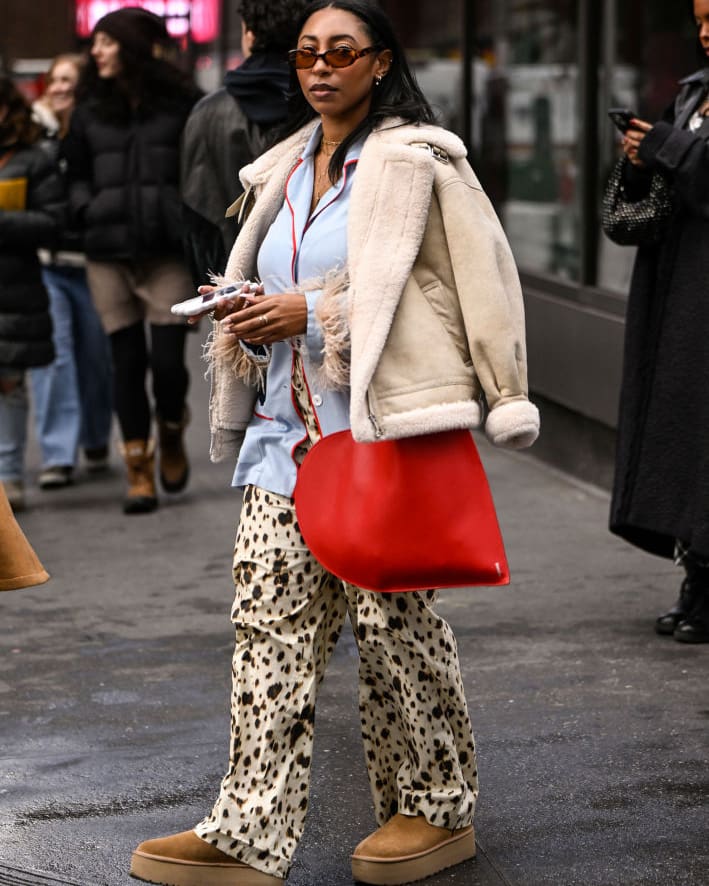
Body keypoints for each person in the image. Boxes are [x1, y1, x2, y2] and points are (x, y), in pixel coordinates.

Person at [130, 2, 539, 884]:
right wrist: (242, 305)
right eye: (307, 52)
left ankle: (432, 805)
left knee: (395, 631)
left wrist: (314, 312)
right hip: (286, 437)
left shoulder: (420, 163)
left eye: (341, 52)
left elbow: (471, 284)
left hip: (378, 433)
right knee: (263, 630)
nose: (319, 68)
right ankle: (246, 828)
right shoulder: (282, 167)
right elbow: (279, 280)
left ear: (380, 63)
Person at [63, 7, 201, 514]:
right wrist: (85, 207)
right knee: (125, 362)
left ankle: (171, 426)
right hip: (107, 251)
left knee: (167, 364)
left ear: (131, 45)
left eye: (105, 42)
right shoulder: (89, 108)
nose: (94, 52)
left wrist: (183, 215)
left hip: (165, 250)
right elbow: (73, 173)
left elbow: (202, 169)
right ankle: (138, 470)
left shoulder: (182, 102)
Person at [609, 0, 709, 645]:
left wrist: (669, 146)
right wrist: (643, 157)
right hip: (681, 287)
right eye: (700, 17)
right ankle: (697, 576)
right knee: (684, 431)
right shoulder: (695, 92)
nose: (705, 31)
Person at [181, 0, 309, 287]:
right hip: (308, 287)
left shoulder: (207, 112)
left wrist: (218, 285)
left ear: (250, 34)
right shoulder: (325, 105)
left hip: (233, 290)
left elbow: (197, 209)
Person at [29, 53, 113, 490]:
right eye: (55, 79)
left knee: (96, 358)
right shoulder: (29, 132)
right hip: (46, 263)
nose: (60, 87)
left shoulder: (99, 129)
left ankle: (97, 437)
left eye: (69, 80)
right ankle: (58, 454)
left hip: (93, 261)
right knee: (55, 358)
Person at [0, 77, 64, 513]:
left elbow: (51, 223)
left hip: (12, 285)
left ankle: (7, 477)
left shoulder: (32, 159)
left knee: (7, 379)